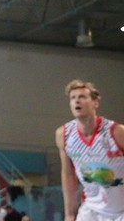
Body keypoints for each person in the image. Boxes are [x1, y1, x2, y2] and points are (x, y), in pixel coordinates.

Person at [55, 79, 124, 221]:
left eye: (82, 97)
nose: (76, 101)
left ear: (95, 103)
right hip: (91, 210)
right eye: (73, 98)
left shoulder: (116, 132)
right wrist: (69, 214)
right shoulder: (64, 135)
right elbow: (68, 174)